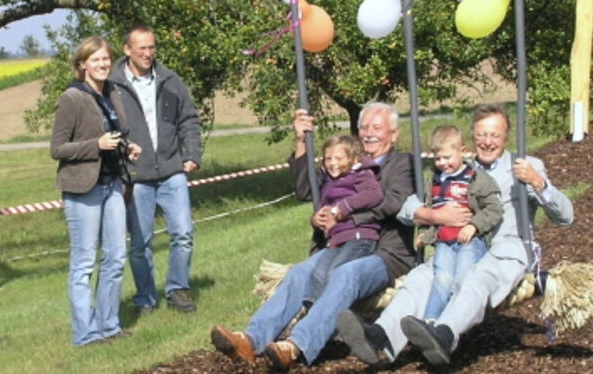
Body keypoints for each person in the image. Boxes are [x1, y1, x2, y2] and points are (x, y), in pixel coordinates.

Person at [336, 104, 574, 366]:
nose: (487, 142)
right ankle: (379, 335)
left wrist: (538, 182)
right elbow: (407, 207)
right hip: (457, 247)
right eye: (481, 134)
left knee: (477, 278)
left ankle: (444, 334)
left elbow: (566, 217)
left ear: (506, 136)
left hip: (505, 251)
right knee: (421, 278)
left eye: (495, 135)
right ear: (471, 137)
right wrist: (432, 216)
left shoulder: (523, 168)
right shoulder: (456, 167)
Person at [211, 102, 431, 369]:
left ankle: (295, 345)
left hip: (385, 252)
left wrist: (343, 214)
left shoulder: (401, 163)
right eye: (364, 127)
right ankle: (251, 340)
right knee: (299, 273)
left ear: (394, 134)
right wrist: (302, 142)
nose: (369, 133)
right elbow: (306, 189)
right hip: (341, 244)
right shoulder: (346, 162)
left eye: (377, 127)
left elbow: (394, 202)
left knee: (346, 274)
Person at [51, 36, 141, 346]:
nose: (103, 64)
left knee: (116, 257)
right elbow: (58, 148)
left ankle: (109, 327)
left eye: (105, 59)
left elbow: (115, 135)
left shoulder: (112, 92)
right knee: (84, 263)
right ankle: (85, 334)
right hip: (82, 189)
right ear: (82, 65)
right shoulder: (71, 98)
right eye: (96, 60)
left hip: (112, 184)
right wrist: (96, 146)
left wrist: (127, 148)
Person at [108, 25, 202, 314]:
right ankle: (145, 297)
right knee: (140, 243)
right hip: (137, 177)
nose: (148, 53)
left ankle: (178, 290)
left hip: (172, 170)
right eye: (141, 48)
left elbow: (188, 119)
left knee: (184, 233)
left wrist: (192, 153)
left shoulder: (170, 80)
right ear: (127, 50)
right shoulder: (111, 86)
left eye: (151, 47)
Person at [418, 125, 502, 321]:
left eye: (447, 157)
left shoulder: (476, 179)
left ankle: (452, 321)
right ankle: (430, 320)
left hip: (469, 241)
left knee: (463, 277)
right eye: (437, 158)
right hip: (444, 242)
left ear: (463, 152)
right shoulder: (435, 181)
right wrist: (425, 235)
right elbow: (429, 210)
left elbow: (494, 209)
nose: (442, 163)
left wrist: (473, 225)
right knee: (442, 278)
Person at [304, 135, 384, 305]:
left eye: (339, 158)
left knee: (336, 271)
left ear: (353, 159)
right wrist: (317, 219)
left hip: (358, 235)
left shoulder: (360, 175)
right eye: (328, 158)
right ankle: (312, 308)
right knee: (318, 274)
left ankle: (328, 310)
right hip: (336, 239)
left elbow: (374, 194)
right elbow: (323, 205)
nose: (333, 163)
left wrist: (343, 207)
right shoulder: (329, 182)